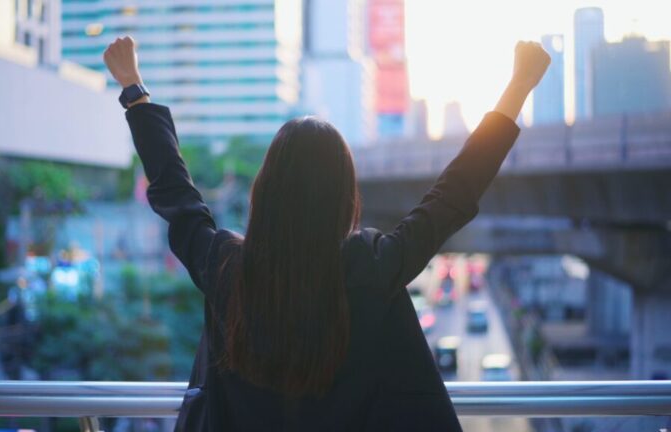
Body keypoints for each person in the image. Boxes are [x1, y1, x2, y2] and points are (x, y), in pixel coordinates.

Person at [104, 36, 550, 431]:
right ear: (343, 194)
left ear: (266, 189)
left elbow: (178, 199)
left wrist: (134, 89)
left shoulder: (227, 268)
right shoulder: (372, 266)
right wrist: (517, 87)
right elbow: (452, 195)